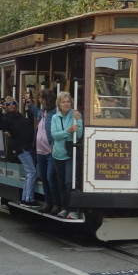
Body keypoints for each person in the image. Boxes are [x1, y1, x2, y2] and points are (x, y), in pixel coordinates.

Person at [0, 95, 39, 207]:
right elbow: (0, 126)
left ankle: (25, 198)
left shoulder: (19, 116)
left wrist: (28, 110)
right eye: (8, 104)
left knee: (29, 173)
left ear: (16, 105)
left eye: (13, 103)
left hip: (29, 147)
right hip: (22, 148)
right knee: (32, 172)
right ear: (5, 106)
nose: (11, 105)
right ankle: (28, 199)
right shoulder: (6, 118)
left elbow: (29, 124)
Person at [27, 89, 62, 214]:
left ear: (47, 99)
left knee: (50, 177)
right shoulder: (42, 112)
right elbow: (35, 112)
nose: (39, 101)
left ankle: (57, 204)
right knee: (44, 178)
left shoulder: (54, 113)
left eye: (41, 98)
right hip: (40, 152)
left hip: (50, 152)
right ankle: (48, 203)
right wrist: (30, 104)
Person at [50, 91, 83, 220]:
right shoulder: (55, 117)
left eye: (68, 101)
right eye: (63, 102)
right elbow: (54, 135)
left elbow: (79, 134)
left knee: (70, 182)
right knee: (61, 183)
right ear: (59, 103)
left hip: (70, 154)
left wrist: (79, 121)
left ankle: (73, 209)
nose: (66, 104)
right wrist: (67, 131)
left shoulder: (75, 115)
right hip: (58, 154)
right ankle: (64, 207)